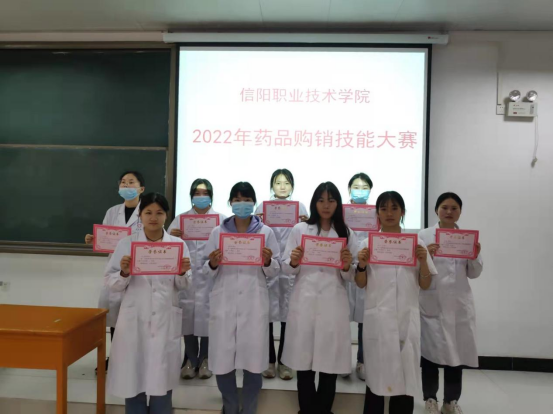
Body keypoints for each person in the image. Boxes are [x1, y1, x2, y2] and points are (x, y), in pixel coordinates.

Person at [104, 193, 191, 414]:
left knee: (162, 381)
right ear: (140, 215)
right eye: (148, 212)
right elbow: (112, 283)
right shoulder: (126, 244)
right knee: (134, 378)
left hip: (164, 319)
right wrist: (124, 272)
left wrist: (182, 272)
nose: (153, 217)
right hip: (134, 320)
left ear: (166, 216)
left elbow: (184, 284)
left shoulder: (178, 245)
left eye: (159, 213)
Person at [355, 191, 437, 415]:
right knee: (376, 380)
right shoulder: (367, 244)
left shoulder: (417, 244)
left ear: (402, 212)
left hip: (406, 319)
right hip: (378, 319)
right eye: (384, 208)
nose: (389, 213)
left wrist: (423, 261)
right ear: (377, 213)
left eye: (394, 208)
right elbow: (361, 283)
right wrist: (361, 265)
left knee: (404, 380)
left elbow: (425, 284)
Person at [203, 182, 281, 414]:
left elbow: (275, 270)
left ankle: (249, 408)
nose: (242, 204)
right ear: (230, 203)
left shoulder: (266, 233)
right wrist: (213, 263)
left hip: (253, 303)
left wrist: (267, 261)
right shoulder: (217, 232)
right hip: (224, 303)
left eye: (247, 200)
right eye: (237, 200)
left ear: (254, 203)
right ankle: (229, 406)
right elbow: (206, 270)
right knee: (223, 361)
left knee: (253, 363)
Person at [281, 182, 359, 415]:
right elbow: (287, 268)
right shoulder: (300, 230)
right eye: (321, 200)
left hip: (333, 304)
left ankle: (324, 411)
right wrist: (294, 260)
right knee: (304, 365)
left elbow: (353, 275)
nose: (326, 205)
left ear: (338, 204)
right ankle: (306, 410)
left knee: (329, 365)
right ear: (315, 203)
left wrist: (347, 265)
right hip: (304, 302)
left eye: (331, 200)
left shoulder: (346, 233)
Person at [419, 193, 483, 415]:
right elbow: (416, 270)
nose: (449, 211)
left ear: (460, 212)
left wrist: (474, 255)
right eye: (444, 207)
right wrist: (427, 256)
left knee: (457, 356)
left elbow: (474, 273)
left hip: (458, 305)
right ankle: (430, 399)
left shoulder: (466, 238)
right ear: (436, 210)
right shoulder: (424, 235)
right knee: (429, 356)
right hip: (432, 303)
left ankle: (450, 401)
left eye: (454, 208)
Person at [85, 171, 145, 373]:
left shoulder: (147, 212)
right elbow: (106, 239)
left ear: (141, 188)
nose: (126, 186)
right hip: (116, 269)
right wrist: (95, 240)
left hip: (139, 272)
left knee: (135, 319)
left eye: (131, 182)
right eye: (123, 183)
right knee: (115, 320)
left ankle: (135, 359)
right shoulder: (112, 212)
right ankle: (115, 358)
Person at [168, 179, 226, 381]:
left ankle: (206, 359)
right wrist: (172, 236)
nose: (201, 197)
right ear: (191, 196)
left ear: (211, 195)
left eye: (205, 193)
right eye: (197, 193)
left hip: (212, 278)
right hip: (188, 278)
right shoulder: (180, 220)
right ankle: (190, 359)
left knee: (209, 317)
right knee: (188, 318)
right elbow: (167, 246)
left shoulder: (221, 220)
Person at [255, 169, 309, 381]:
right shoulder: (262, 208)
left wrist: (307, 222)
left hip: (289, 268)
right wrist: (256, 221)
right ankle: (268, 360)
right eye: (278, 183)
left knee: (289, 316)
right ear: (272, 186)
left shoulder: (300, 208)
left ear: (292, 186)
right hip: (268, 268)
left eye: (286, 183)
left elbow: (306, 235)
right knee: (266, 315)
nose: (283, 187)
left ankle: (285, 362)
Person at [345, 172, 374, 381]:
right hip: (345, 269)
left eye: (365, 188)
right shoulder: (340, 214)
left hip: (367, 271)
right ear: (349, 190)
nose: (360, 191)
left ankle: (362, 361)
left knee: (365, 320)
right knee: (341, 318)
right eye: (356, 187)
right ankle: (342, 361)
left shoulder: (377, 214)